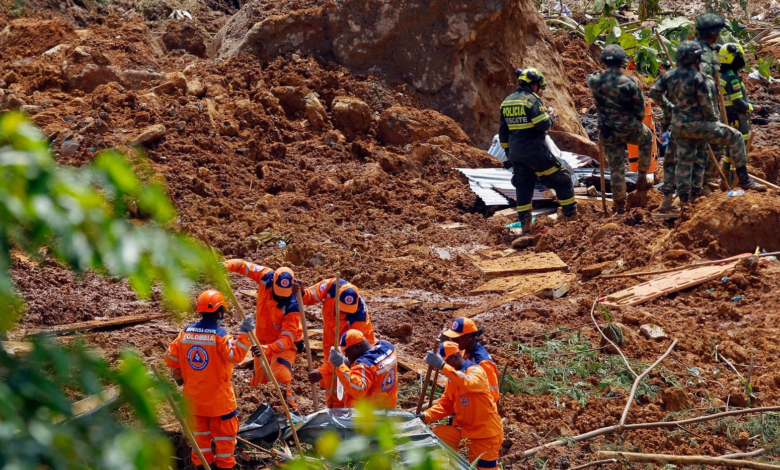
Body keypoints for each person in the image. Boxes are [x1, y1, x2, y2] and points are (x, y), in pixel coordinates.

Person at [649, 41, 763, 211]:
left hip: (680, 127)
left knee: (684, 162)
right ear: (696, 59)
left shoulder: (670, 76)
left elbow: (653, 93)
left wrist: (670, 109)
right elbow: (708, 107)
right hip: (700, 125)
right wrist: (712, 120)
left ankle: (686, 200)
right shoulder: (702, 79)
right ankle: (744, 179)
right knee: (735, 136)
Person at [164, 289, 254, 470]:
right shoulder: (220, 336)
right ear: (220, 312)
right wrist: (244, 334)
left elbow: (170, 359)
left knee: (200, 446)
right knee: (225, 448)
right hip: (220, 404)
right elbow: (235, 356)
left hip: (194, 403)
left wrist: (179, 373)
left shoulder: (185, 334)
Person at [499, 67, 577, 236]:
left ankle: (525, 226)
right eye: (539, 88)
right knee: (563, 178)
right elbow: (543, 124)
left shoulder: (506, 102)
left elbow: (503, 135)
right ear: (533, 85)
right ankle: (571, 219)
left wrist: (509, 155)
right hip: (536, 153)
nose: (539, 91)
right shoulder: (532, 101)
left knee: (523, 188)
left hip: (517, 156)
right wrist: (551, 115)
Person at [223, 260, 302, 409]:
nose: (280, 297)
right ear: (273, 283)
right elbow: (243, 265)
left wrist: (268, 349)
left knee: (279, 376)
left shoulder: (292, 306)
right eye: (278, 292)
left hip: (285, 345)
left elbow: (286, 339)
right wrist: (227, 266)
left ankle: (290, 411)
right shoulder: (266, 276)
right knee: (260, 384)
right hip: (262, 340)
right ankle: (261, 411)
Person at [587, 45, 653, 215]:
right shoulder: (630, 83)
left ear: (604, 62)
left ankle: (619, 207)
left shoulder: (595, 81)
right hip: (630, 127)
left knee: (616, 168)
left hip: (608, 132)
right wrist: (631, 124)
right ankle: (642, 175)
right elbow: (640, 111)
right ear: (622, 62)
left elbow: (591, 77)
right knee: (647, 138)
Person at [417, 342, 504, 470]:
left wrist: (442, 365)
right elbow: (446, 404)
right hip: (464, 430)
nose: (444, 368)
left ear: (456, 357)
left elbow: (468, 383)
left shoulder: (476, 371)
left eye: (446, 363)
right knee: (435, 438)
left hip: (485, 435)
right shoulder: (452, 378)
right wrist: (425, 416)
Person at [298, 277, 376, 408]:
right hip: (331, 341)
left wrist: (322, 372)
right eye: (342, 308)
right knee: (330, 383)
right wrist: (302, 293)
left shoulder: (358, 321)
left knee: (347, 381)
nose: (344, 312)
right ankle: (333, 410)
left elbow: (343, 356)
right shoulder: (332, 286)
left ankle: (345, 414)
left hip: (353, 351)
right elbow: (311, 296)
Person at [693, 13, 729, 195]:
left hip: (687, 106)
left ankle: (698, 184)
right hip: (703, 107)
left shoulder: (691, 48)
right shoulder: (706, 55)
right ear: (713, 33)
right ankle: (702, 184)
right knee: (714, 142)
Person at [719, 43, 764, 180]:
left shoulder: (722, 75)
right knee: (738, 154)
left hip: (727, 116)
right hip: (737, 120)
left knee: (729, 151)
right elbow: (739, 103)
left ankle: (723, 179)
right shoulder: (732, 78)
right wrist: (757, 108)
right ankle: (734, 184)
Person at [327, 330, 398, 409]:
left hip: (369, 416)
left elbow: (358, 389)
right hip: (388, 409)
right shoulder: (388, 347)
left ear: (357, 347)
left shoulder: (364, 365)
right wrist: (351, 362)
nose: (346, 355)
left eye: (347, 352)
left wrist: (340, 365)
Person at [441, 317, 499, 403]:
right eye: (452, 338)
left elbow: (493, 396)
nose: (453, 341)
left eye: (456, 338)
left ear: (468, 337)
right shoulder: (463, 351)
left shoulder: (482, 362)